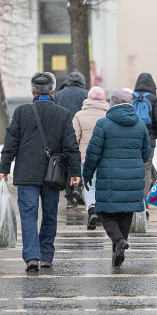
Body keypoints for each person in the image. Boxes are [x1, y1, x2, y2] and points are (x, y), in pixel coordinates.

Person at [0, 72, 81, 271]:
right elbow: (71, 146)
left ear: (32, 91)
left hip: (27, 173)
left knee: (28, 214)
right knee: (50, 214)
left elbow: (11, 143)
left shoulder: (21, 112)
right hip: (52, 174)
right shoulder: (63, 114)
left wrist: (4, 168)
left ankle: (31, 257)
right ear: (53, 91)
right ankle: (46, 255)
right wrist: (75, 172)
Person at [83, 90, 151, 267]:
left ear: (111, 104)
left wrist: (87, 173)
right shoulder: (140, 125)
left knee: (105, 212)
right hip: (133, 175)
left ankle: (119, 241)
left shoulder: (103, 124)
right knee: (125, 212)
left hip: (109, 175)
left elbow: (92, 153)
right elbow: (146, 153)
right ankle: (117, 253)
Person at [73, 86, 109, 230]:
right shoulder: (108, 115)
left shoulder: (79, 115)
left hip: (85, 158)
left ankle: (92, 209)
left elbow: (74, 138)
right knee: (102, 185)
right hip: (105, 157)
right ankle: (100, 213)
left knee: (89, 186)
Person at [132, 73, 157, 213]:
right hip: (149, 139)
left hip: (132, 139)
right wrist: (154, 136)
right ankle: (143, 200)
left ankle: (133, 197)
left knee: (133, 167)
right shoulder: (153, 99)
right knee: (146, 167)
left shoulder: (131, 97)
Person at [56, 71, 88, 209]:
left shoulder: (58, 95)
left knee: (67, 164)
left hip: (63, 132)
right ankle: (78, 188)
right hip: (81, 132)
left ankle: (70, 196)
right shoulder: (86, 94)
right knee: (79, 162)